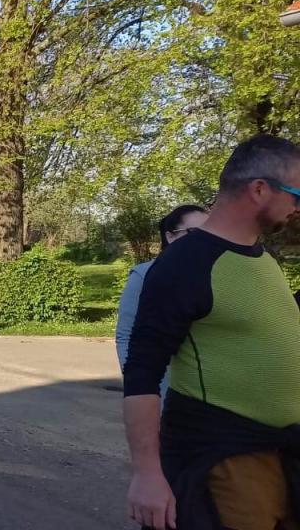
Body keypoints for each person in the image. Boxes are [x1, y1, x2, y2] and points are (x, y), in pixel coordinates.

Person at [123, 134, 300, 530]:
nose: (298, 207)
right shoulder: (184, 265)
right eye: (296, 195)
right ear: (259, 189)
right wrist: (147, 474)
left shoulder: (262, 259)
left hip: (282, 454)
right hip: (225, 459)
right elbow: (141, 373)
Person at [114, 204, 209, 397]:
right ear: (170, 236)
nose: (204, 240)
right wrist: (139, 387)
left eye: (209, 232)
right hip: (163, 388)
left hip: (210, 391)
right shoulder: (144, 275)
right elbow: (126, 336)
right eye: (195, 232)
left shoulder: (220, 275)